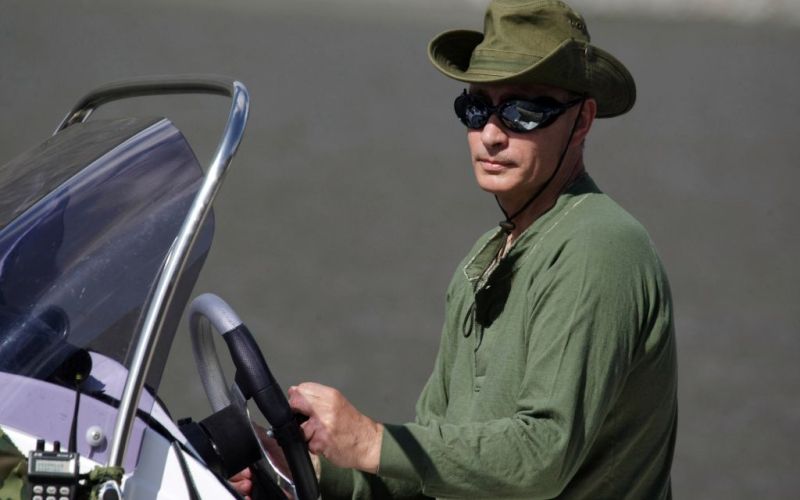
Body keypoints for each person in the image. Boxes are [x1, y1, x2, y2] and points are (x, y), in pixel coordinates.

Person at [234, 0, 677, 498]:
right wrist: (307, 469)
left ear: (582, 121)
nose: (491, 134)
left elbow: (542, 456)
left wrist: (370, 440)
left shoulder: (599, 245)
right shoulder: (483, 259)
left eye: (523, 111)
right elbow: (436, 464)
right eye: (477, 108)